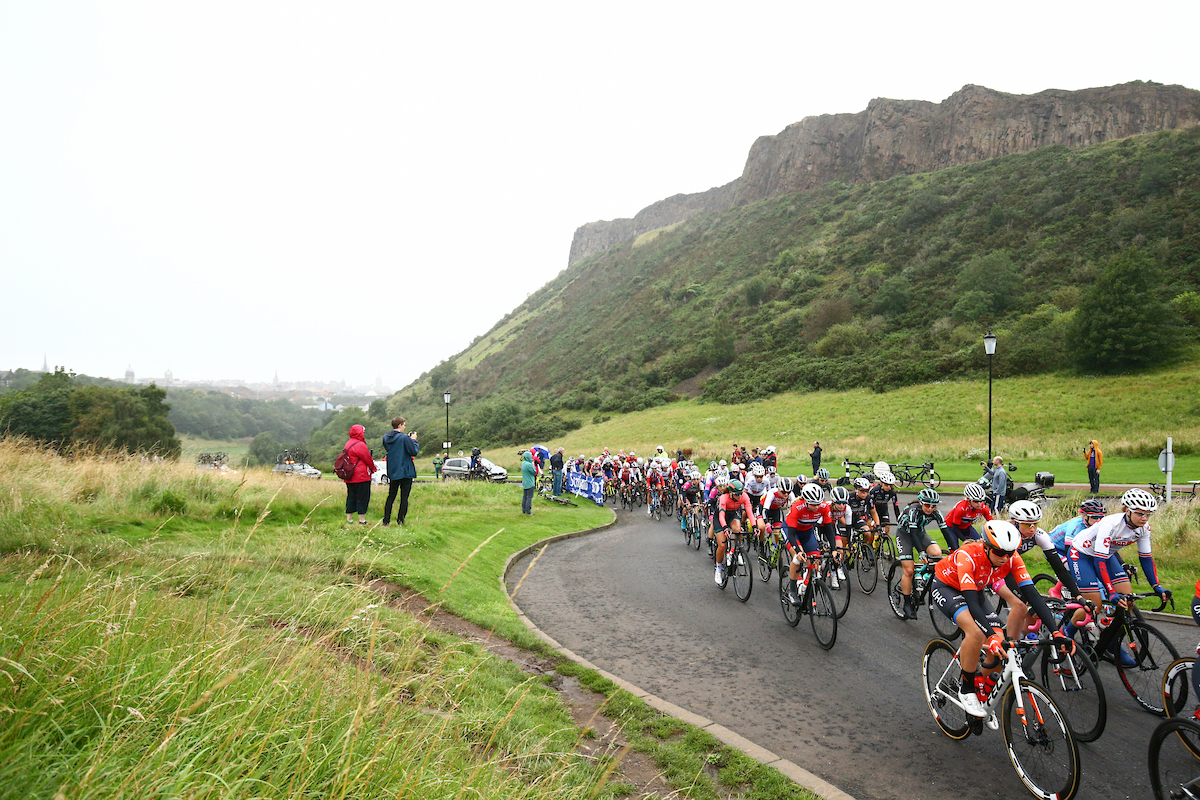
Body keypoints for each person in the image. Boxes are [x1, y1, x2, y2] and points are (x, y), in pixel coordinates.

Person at [931, 521, 1072, 717]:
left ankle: (984, 685)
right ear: (986, 547)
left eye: (1010, 553)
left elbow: (1032, 595)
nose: (1005, 558)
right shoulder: (968, 555)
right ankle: (967, 688)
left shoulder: (1011, 558)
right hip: (948, 588)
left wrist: (1056, 632)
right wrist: (990, 635)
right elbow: (971, 602)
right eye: (999, 553)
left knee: (1001, 645)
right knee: (976, 632)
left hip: (976, 589)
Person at [1068, 488, 1171, 662]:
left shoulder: (1144, 528)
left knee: (1128, 600)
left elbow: (1146, 558)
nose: (1144, 518)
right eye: (1140, 513)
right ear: (1127, 510)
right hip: (1082, 555)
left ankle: (1111, 641)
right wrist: (1111, 592)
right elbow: (1098, 562)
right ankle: (1065, 634)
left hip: (1105, 556)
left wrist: (1156, 586)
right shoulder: (1111, 524)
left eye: (1148, 514)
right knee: (1094, 606)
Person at [893, 488, 947, 619]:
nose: (930, 508)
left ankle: (922, 575)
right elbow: (912, 533)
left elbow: (946, 532)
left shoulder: (936, 513)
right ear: (921, 502)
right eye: (927, 505)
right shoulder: (913, 511)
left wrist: (956, 550)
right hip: (905, 535)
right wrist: (921, 552)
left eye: (933, 505)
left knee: (937, 553)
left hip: (920, 533)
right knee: (909, 570)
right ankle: (906, 602)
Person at [382, 417, 419, 526]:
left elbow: (395, 447)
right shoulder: (404, 438)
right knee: (404, 497)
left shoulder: (386, 438)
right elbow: (413, 451)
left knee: (391, 496)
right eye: (404, 425)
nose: (405, 427)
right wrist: (413, 440)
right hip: (405, 471)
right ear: (399, 425)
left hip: (393, 469)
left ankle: (386, 521)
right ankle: (400, 520)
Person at [341, 424, 376, 525]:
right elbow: (367, 458)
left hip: (350, 475)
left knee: (351, 496)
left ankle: (349, 519)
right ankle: (362, 520)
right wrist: (373, 468)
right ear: (359, 433)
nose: (364, 433)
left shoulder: (348, 443)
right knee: (363, 497)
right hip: (361, 476)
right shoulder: (360, 444)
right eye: (363, 431)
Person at [943, 483, 993, 551]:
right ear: (968, 499)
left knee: (980, 547)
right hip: (951, 527)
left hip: (966, 526)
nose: (979, 504)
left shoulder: (984, 508)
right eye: (976, 501)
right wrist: (965, 540)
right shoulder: (960, 508)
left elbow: (992, 524)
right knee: (955, 550)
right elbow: (955, 529)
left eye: (981, 501)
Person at [520, 450, 536, 515]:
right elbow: (534, 472)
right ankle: (528, 510)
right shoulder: (529, 465)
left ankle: (524, 509)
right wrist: (533, 465)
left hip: (525, 482)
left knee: (525, 496)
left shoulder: (523, 463)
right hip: (530, 482)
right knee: (529, 497)